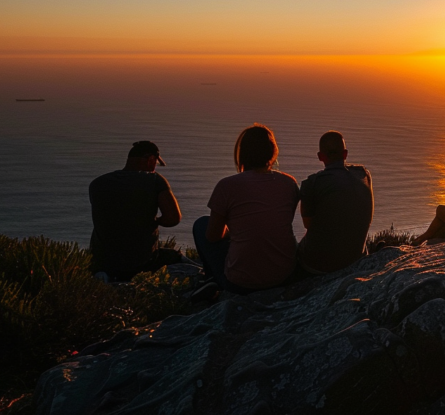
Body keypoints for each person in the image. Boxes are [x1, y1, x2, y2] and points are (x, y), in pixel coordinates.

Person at [193, 124, 299, 293]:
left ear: (242, 153)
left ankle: (212, 279)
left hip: (240, 283)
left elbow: (213, 236)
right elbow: (274, 223)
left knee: (201, 225)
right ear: (272, 152)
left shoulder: (227, 186)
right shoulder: (289, 183)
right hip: (284, 276)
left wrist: (232, 232)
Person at [89, 140, 183, 281]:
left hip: (102, 262)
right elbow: (173, 219)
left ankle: (102, 275)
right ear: (151, 159)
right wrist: (154, 221)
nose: (155, 168)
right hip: (140, 262)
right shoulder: (155, 181)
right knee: (177, 258)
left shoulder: (98, 183)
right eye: (156, 164)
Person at [296, 131, 374, 274]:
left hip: (318, 266)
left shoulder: (312, 184)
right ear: (345, 154)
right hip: (357, 259)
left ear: (320, 157)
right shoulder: (364, 175)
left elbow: (308, 224)